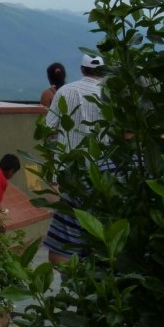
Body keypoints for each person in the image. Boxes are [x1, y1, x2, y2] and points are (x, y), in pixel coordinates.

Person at [43, 53, 106, 263]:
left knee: (70, 219)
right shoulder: (109, 94)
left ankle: (73, 266)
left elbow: (48, 128)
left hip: (68, 167)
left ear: (81, 69)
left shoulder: (65, 91)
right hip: (101, 168)